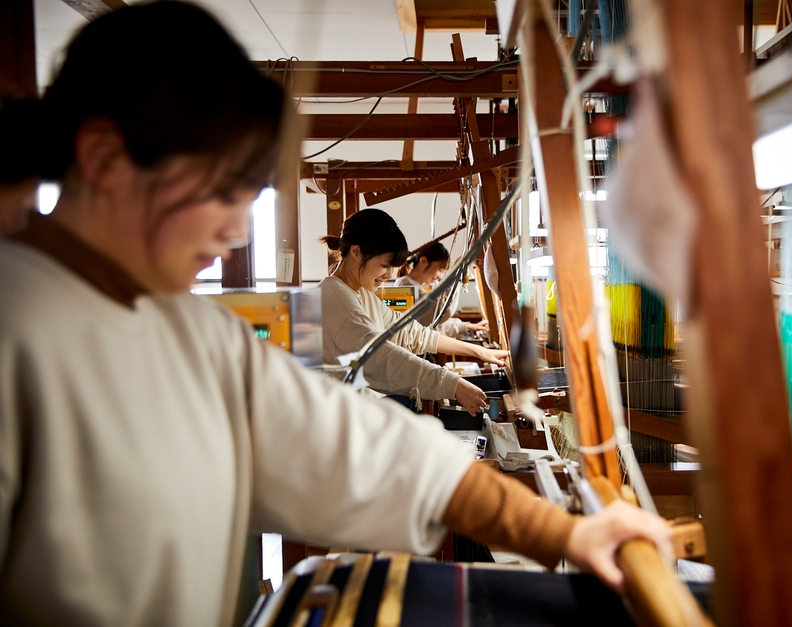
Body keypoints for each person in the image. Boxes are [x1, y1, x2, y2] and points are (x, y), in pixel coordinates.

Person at [0, 3, 671, 626]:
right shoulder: (18, 329)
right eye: (222, 189)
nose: (237, 230)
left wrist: (570, 533)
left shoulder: (194, 333)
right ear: (104, 158)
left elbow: (370, 449)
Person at [320, 209, 504, 414]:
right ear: (356, 252)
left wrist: (479, 351)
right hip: (349, 421)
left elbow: (409, 333)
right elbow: (380, 358)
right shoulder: (337, 301)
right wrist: (452, 384)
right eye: (384, 265)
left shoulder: (361, 293)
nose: (388, 275)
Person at [396, 241, 488, 338]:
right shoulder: (405, 285)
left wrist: (468, 326)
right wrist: (456, 274)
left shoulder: (416, 285)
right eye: (440, 270)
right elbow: (436, 314)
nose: (440, 277)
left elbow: (435, 321)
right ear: (423, 261)